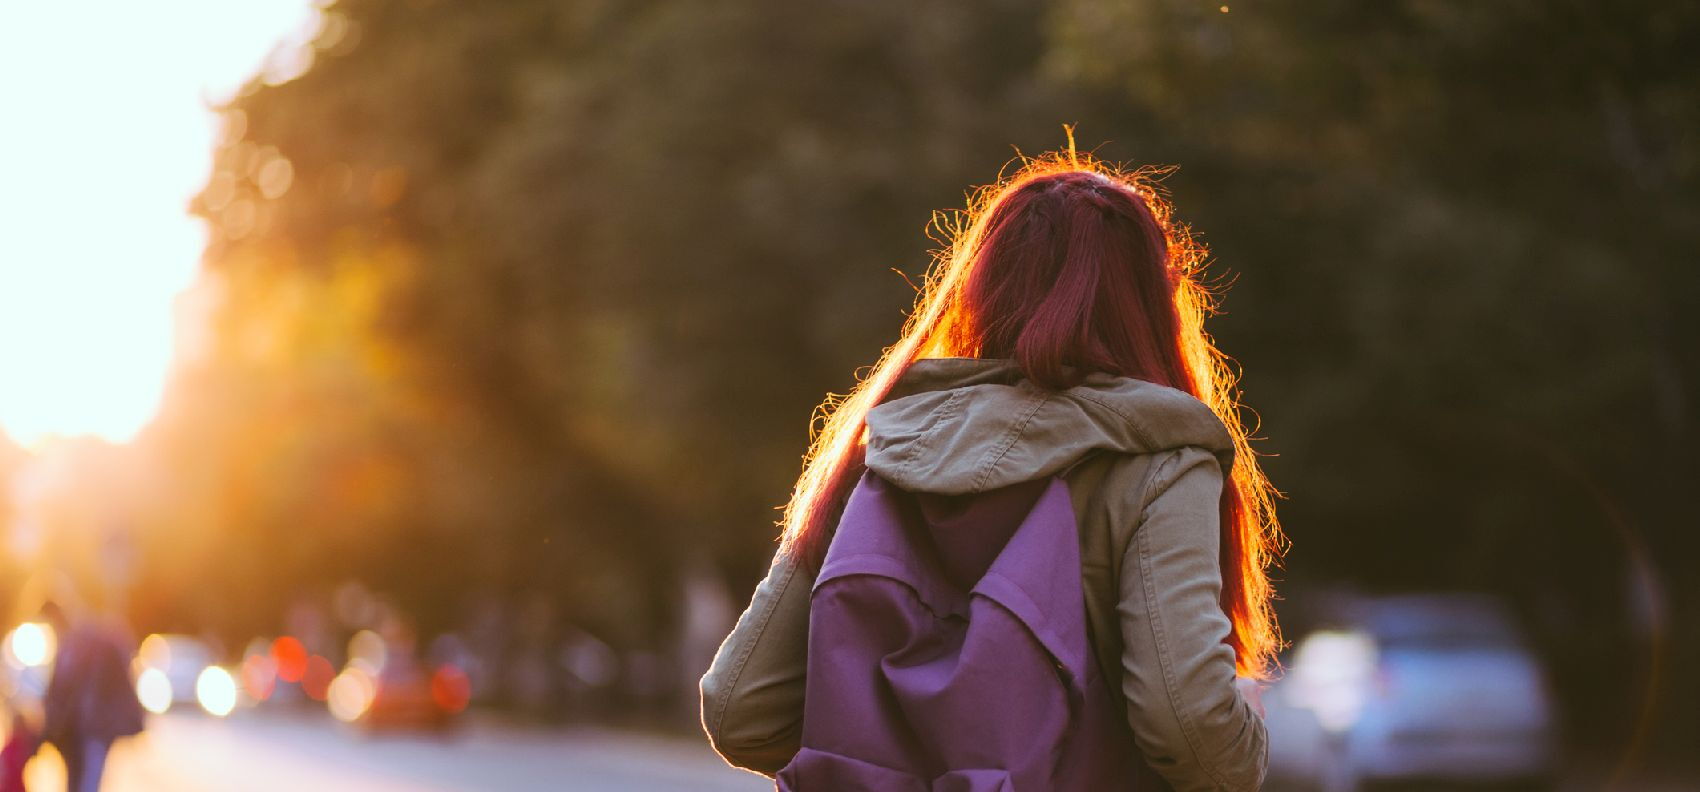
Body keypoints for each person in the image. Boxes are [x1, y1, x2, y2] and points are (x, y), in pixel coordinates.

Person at [701, 147, 1282, 791]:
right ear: (1152, 303)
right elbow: (1185, 722)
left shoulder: (882, 447)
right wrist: (1247, 739)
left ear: (979, 287)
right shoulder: (1160, 462)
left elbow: (740, 708)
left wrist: (889, 749)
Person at [40, 603, 144, 792]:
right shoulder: (82, 639)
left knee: (85, 781)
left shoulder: (79, 641)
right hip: (88, 728)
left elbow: (65, 688)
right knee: (83, 780)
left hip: (92, 727)